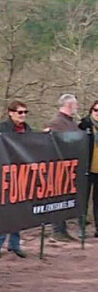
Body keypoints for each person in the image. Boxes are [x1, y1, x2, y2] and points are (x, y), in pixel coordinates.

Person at [0, 100, 32, 257]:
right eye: (20, 112)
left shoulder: (28, 129)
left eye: (25, 112)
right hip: (6, 174)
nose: (23, 115)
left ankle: (14, 244)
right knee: (4, 211)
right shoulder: (1, 129)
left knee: (19, 210)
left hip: (23, 173)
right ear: (11, 113)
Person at [46, 94, 80, 242]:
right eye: (75, 105)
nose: (77, 107)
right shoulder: (57, 123)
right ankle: (57, 230)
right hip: (59, 167)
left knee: (66, 198)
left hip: (70, 166)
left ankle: (63, 230)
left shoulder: (71, 122)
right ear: (69, 105)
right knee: (57, 198)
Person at [78, 99, 98, 238]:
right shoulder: (84, 125)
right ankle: (82, 228)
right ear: (91, 111)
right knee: (83, 199)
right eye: (96, 110)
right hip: (86, 168)